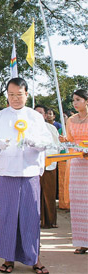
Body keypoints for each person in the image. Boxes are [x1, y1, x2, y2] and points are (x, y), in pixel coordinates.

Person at [0, 78, 51, 274]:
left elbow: (45, 142)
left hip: (29, 172)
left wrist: (34, 143)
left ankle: (34, 258)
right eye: (11, 94)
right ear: (7, 95)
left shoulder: (35, 117)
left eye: (19, 94)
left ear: (27, 95)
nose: (15, 98)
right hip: (7, 172)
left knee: (31, 216)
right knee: (7, 217)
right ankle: (8, 258)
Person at [60, 89, 88, 254]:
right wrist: (65, 140)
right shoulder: (70, 120)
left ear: (86, 100)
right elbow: (70, 140)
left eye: (78, 100)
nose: (75, 103)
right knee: (79, 203)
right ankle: (82, 241)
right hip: (77, 163)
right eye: (73, 100)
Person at [34, 105, 59, 229]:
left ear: (45, 115)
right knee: (34, 195)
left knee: (48, 195)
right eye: (36, 112)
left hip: (48, 165)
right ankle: (34, 220)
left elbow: (56, 146)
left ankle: (49, 221)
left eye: (41, 113)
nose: (38, 115)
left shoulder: (51, 128)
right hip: (33, 167)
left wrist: (46, 158)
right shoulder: (28, 128)